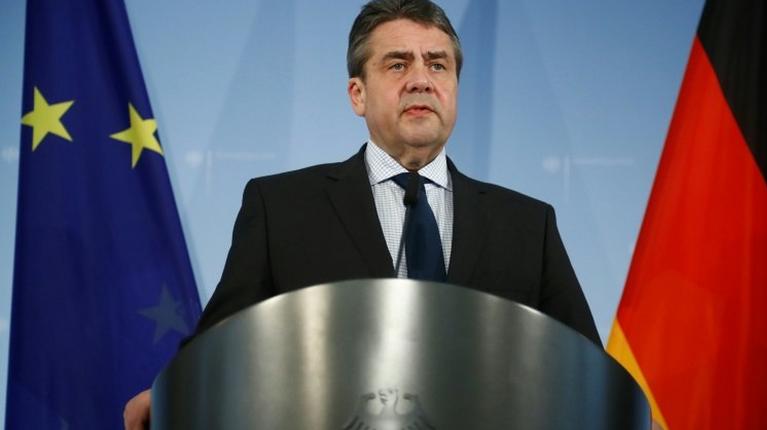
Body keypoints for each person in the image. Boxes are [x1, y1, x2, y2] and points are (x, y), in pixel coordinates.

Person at [124, 0, 600, 428]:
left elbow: (586, 373)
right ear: (357, 94)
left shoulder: (526, 224)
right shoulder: (282, 207)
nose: (421, 79)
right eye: (397, 64)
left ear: (454, 88)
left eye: (438, 64)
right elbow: (221, 345)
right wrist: (172, 394)